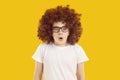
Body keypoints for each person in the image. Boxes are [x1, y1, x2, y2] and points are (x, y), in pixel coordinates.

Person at [32, 5, 89, 80]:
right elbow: (37, 75)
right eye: (56, 29)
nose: (60, 32)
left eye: (64, 29)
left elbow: (81, 76)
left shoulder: (77, 49)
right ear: (50, 31)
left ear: (70, 31)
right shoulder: (43, 48)